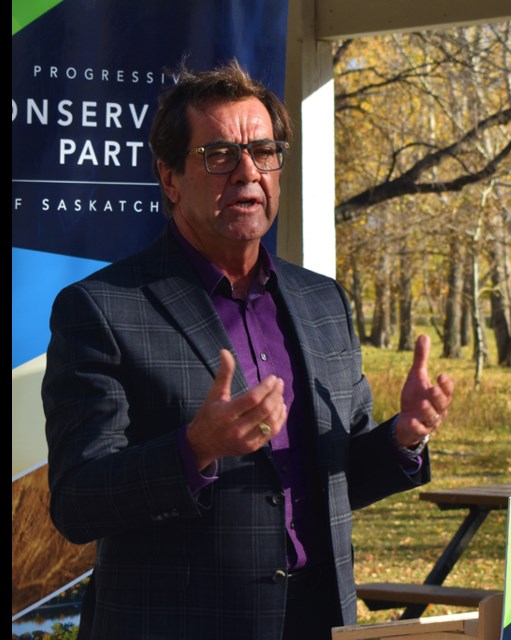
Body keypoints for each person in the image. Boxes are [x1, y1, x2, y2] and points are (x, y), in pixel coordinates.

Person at [42, 59, 454, 640]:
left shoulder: (322, 302)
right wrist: (194, 449)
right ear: (169, 179)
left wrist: (403, 435)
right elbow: (77, 502)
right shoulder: (103, 309)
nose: (247, 172)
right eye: (218, 156)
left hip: (318, 621)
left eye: (264, 152)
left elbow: (336, 481)